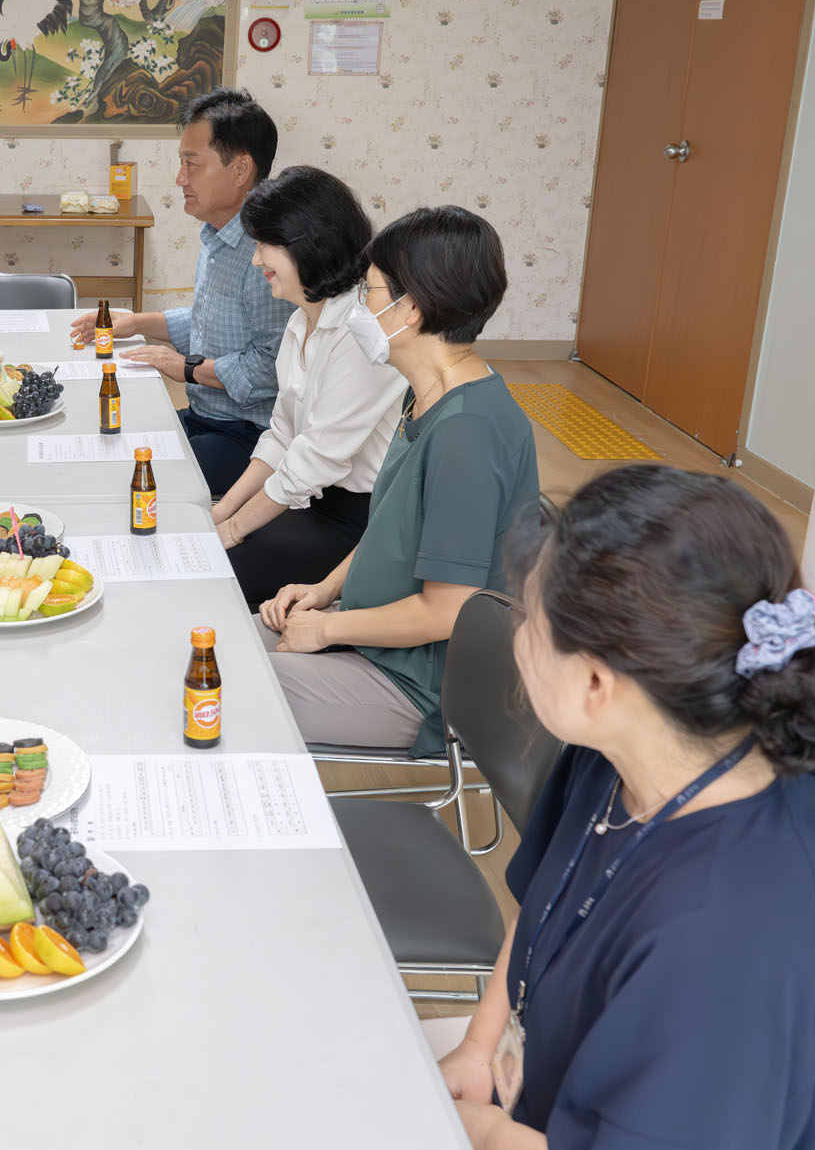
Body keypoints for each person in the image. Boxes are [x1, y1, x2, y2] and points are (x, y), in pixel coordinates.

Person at [430, 465, 815, 1150]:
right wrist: (479, 1047)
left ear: (596, 684)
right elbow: (545, 902)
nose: (518, 640)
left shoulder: (719, 934)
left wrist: (472, 1134)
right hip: (558, 1126)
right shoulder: (629, 756)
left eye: (529, 623)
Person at [258, 205, 538, 754]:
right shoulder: (427, 396)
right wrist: (324, 591)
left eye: (370, 291)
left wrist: (328, 629)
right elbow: (390, 529)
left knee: (219, 682)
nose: (361, 305)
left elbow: (447, 610)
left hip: (422, 685)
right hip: (374, 637)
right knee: (213, 640)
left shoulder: (467, 431)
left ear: (410, 308)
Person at [68, 88, 292, 493]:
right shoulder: (219, 234)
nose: (180, 178)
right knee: (106, 442)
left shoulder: (267, 254)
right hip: (205, 417)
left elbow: (272, 367)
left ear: (241, 170)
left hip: (248, 435)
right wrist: (136, 322)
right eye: (181, 163)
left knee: (133, 480)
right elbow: (215, 322)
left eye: (192, 163)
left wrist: (185, 367)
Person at [214, 166, 406, 608]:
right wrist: (223, 511)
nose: (256, 260)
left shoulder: (361, 332)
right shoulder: (302, 321)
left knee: (218, 571)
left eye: (264, 245)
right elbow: (282, 435)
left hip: (360, 523)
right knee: (213, 549)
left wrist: (234, 529)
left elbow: (314, 459)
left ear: (307, 244)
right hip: (313, 503)